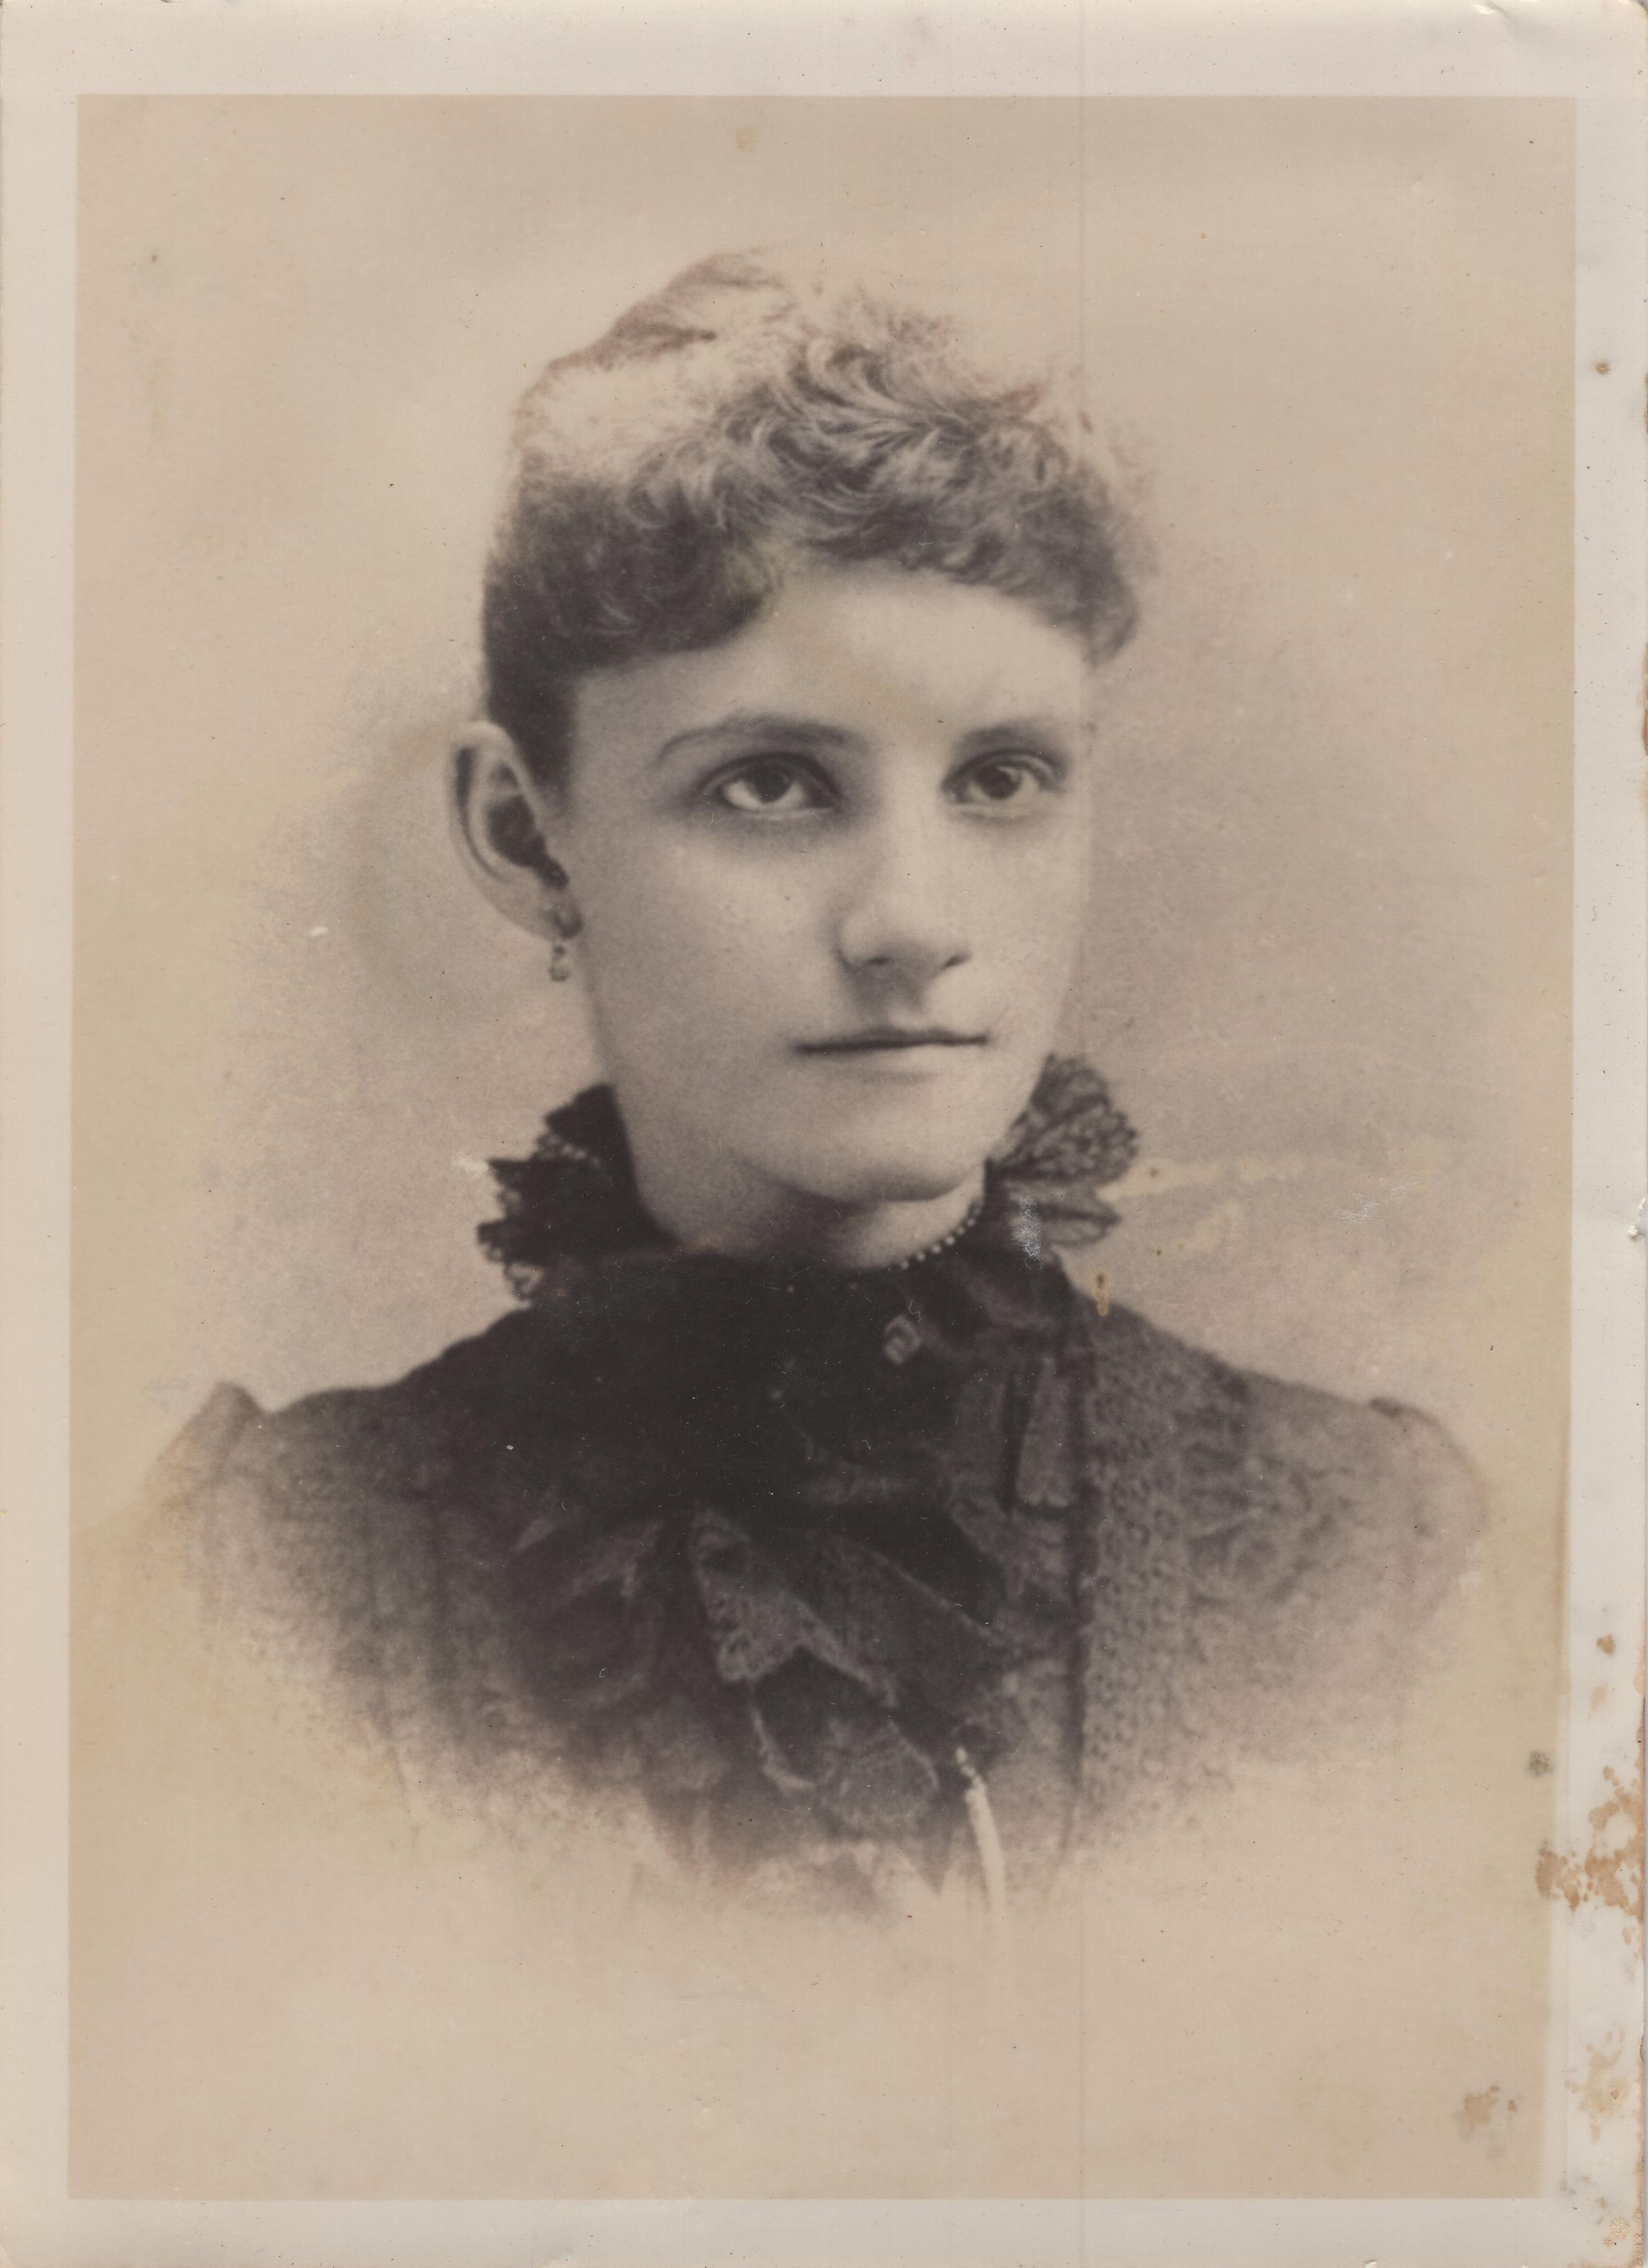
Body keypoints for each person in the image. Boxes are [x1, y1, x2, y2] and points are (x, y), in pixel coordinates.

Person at [73, 252, 1502, 2195]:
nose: (914, 919)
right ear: (524, 832)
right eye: (770, 784)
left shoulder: (1386, 1569)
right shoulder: (248, 1596)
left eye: (1003, 779)